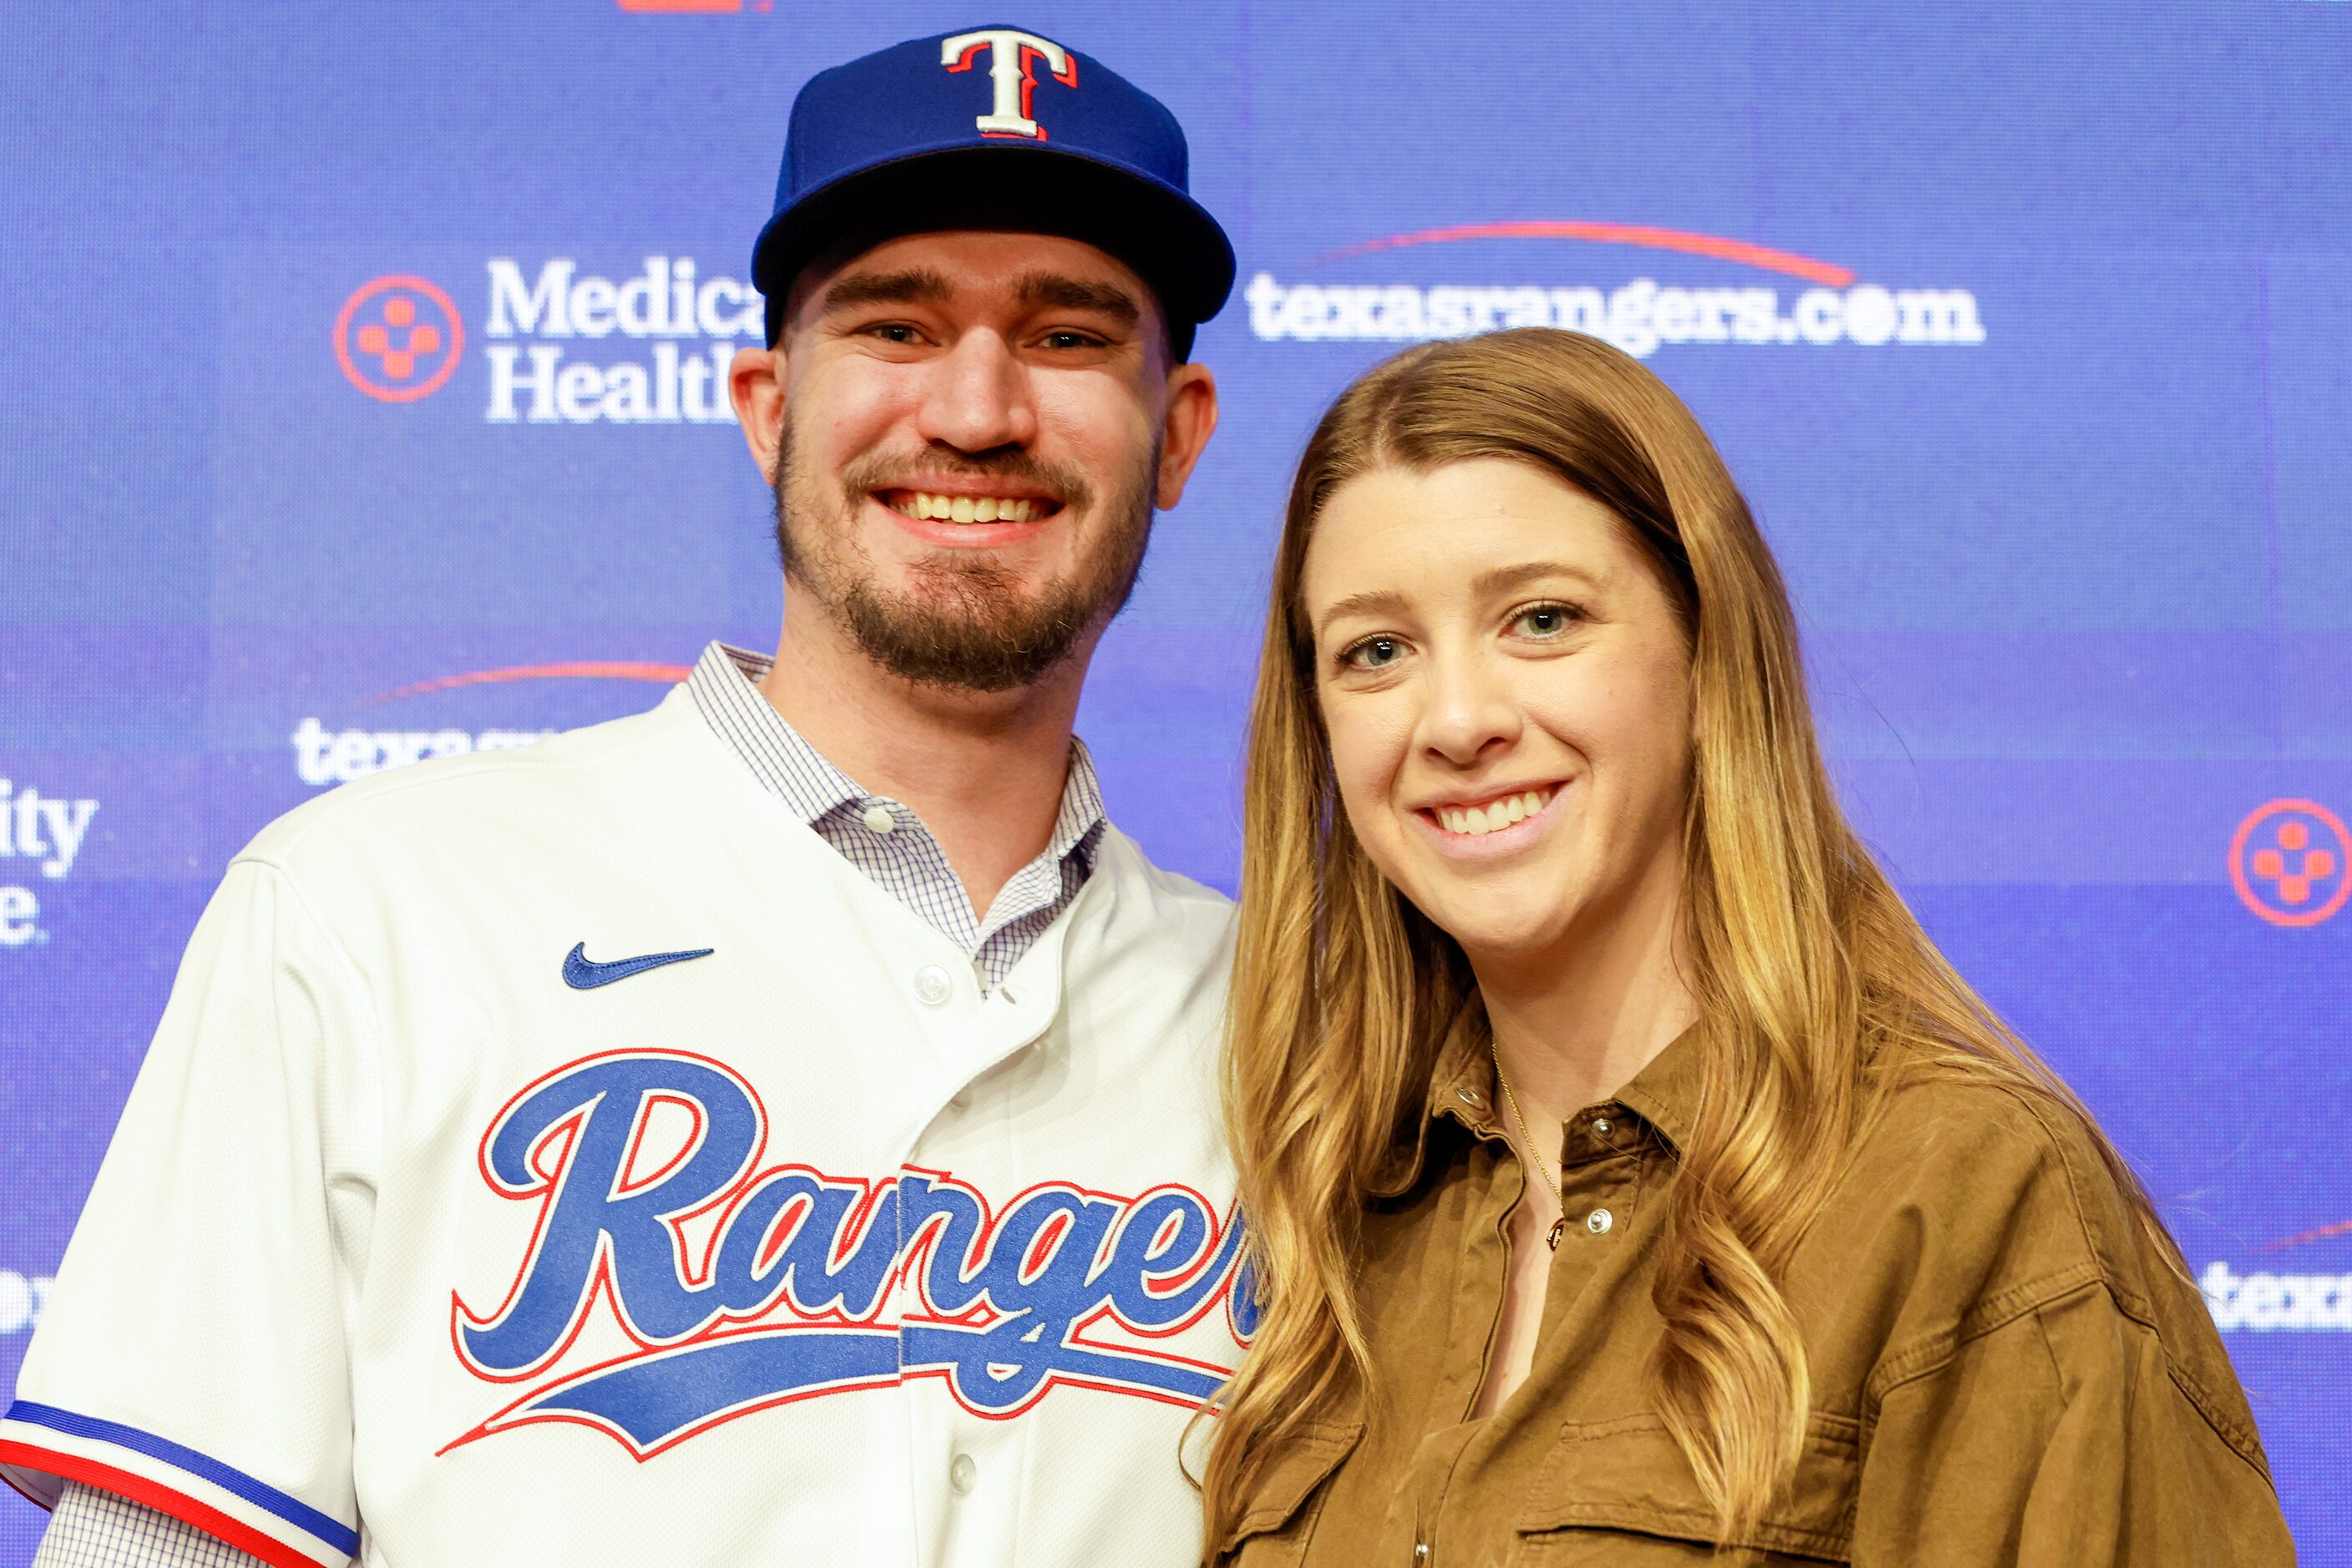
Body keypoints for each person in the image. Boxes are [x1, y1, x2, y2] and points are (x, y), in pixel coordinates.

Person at [3, 27, 1247, 1568]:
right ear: (764, 401)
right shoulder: (372, 909)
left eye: (1065, 337)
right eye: (895, 327)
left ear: (1177, 431)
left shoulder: (1295, 1025)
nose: (977, 409)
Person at [1201, 329, 2294, 1565]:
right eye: (1375, 651)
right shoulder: (1335, 1229)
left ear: (1707, 654)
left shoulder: (1965, 1194)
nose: (1455, 718)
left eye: (1542, 618)